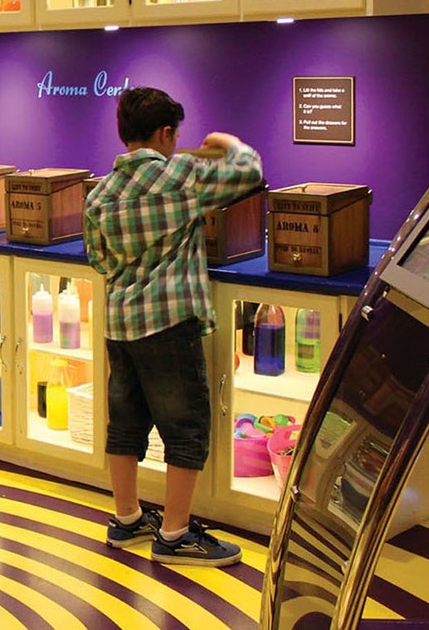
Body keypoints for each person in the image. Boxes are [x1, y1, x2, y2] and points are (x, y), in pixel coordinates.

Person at [83, 87, 262, 566]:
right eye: (175, 134)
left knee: (125, 425)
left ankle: (125, 520)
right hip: (169, 323)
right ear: (166, 133)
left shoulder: (99, 193)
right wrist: (226, 140)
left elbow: (99, 259)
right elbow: (249, 172)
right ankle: (175, 533)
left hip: (120, 325)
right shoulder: (181, 176)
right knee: (185, 430)